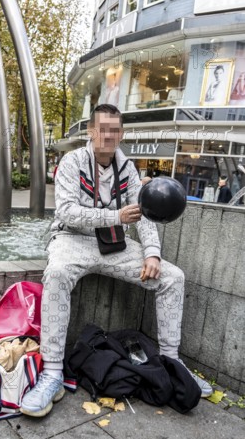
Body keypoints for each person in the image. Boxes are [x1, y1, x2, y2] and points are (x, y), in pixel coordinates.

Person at [21, 104, 213, 418]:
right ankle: (52, 374)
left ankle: (173, 364)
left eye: (114, 130)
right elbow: (66, 212)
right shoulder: (71, 162)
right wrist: (115, 215)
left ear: (121, 134)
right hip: (73, 239)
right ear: (91, 131)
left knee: (173, 277)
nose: (108, 135)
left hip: (114, 244)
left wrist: (152, 252)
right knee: (56, 273)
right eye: (102, 129)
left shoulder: (129, 169)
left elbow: (145, 215)